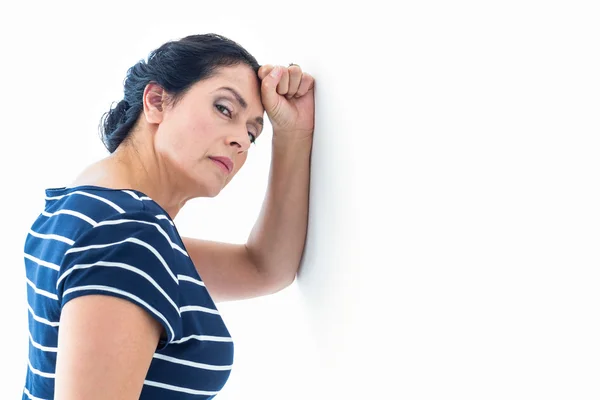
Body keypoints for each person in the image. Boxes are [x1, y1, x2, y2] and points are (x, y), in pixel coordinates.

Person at [22, 33, 315, 399]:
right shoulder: (128, 233)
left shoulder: (89, 210)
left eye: (252, 132)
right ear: (157, 101)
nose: (241, 139)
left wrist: (292, 135)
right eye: (224, 109)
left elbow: (264, 268)